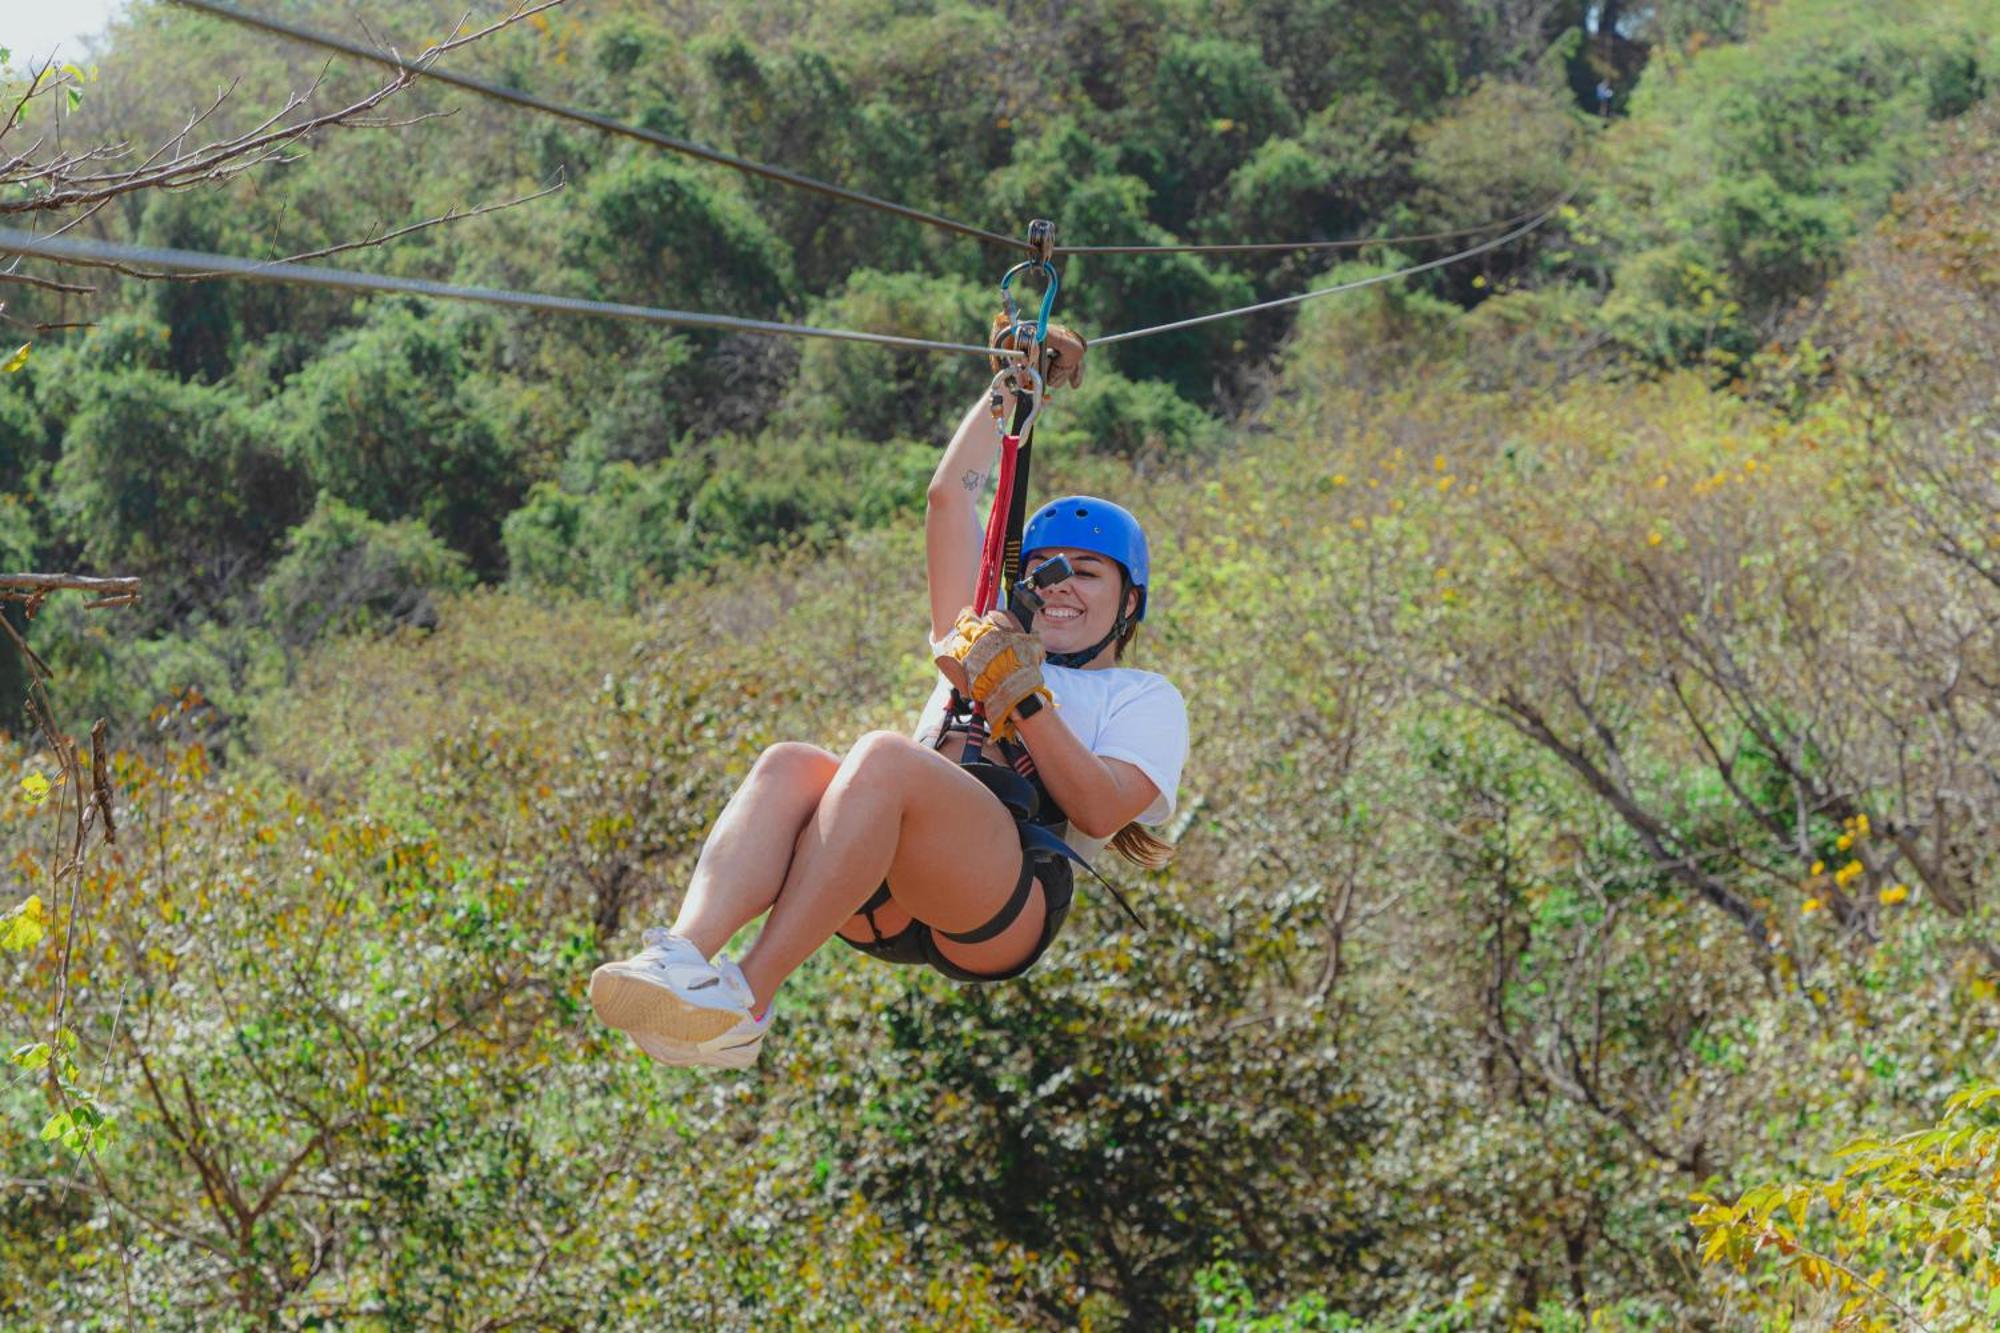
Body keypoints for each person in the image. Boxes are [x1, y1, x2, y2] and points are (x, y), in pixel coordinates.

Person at [587, 361, 1189, 1070]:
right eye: (1047, 567)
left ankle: (746, 1000)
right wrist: (1008, 394)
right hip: (883, 880)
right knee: (790, 763)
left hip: (1007, 890)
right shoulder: (985, 634)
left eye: (1087, 572)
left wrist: (1021, 694)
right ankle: (685, 957)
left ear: (1128, 601)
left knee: (883, 757)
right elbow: (948, 499)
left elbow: (1098, 808)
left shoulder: (1143, 696)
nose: (1061, 585)